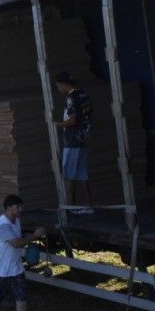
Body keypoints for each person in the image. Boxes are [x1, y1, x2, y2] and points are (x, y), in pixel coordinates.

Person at [0, 194, 45, 311]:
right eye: (18, 206)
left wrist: (29, 237)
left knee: (21, 295)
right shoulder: (2, 224)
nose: (21, 209)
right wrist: (35, 235)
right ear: (8, 208)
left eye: (21, 206)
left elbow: (18, 236)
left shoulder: (16, 220)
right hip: (0, 268)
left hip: (15, 266)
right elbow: (16, 243)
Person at [53, 71, 94, 214]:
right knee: (82, 174)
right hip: (84, 138)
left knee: (68, 176)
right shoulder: (84, 94)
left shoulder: (71, 98)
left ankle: (69, 209)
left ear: (63, 84)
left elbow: (72, 120)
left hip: (72, 140)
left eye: (58, 86)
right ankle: (87, 206)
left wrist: (56, 124)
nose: (58, 89)